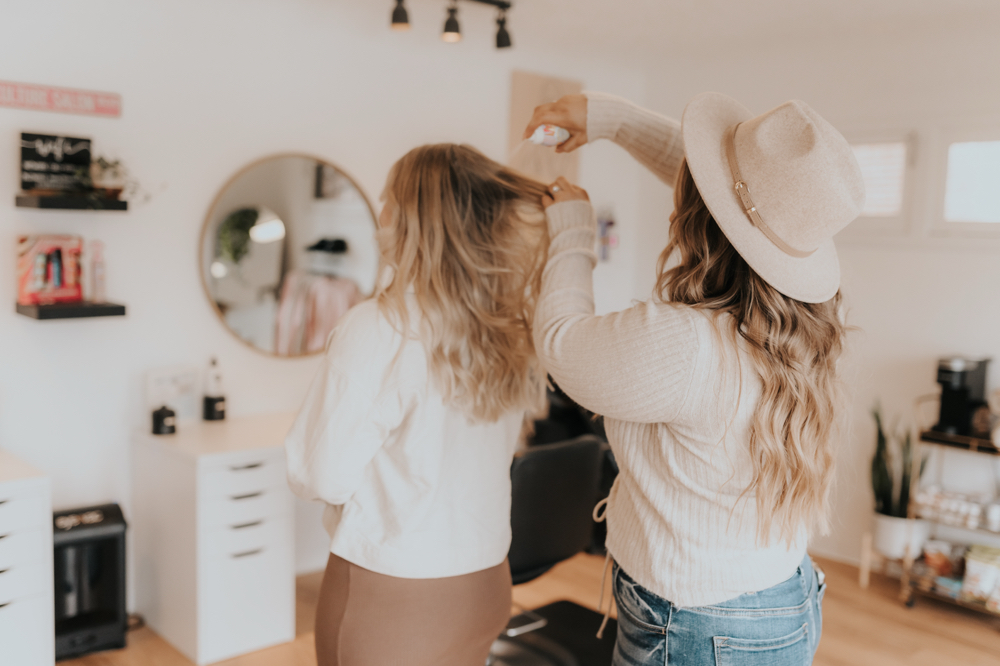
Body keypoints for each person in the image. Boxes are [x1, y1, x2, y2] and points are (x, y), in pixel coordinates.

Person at [524, 91, 864, 665]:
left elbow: (561, 344)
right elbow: (729, 191)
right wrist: (612, 120)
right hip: (783, 598)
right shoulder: (806, 322)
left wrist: (571, 232)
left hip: (699, 628)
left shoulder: (687, 344)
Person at [284, 144, 549, 666]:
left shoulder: (379, 326)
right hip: (486, 579)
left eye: (388, 201)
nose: (380, 215)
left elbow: (319, 476)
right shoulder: (507, 327)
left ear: (412, 221)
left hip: (396, 596)